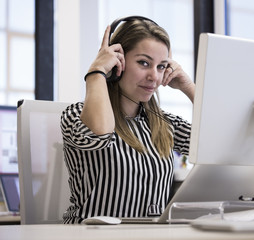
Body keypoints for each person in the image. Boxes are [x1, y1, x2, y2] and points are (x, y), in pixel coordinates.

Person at [60, 16, 195, 224]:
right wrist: (97, 72)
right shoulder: (75, 115)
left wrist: (189, 86)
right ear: (117, 62)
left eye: (161, 67)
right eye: (144, 63)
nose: (155, 77)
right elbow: (100, 134)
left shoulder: (165, 124)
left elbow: (218, 145)